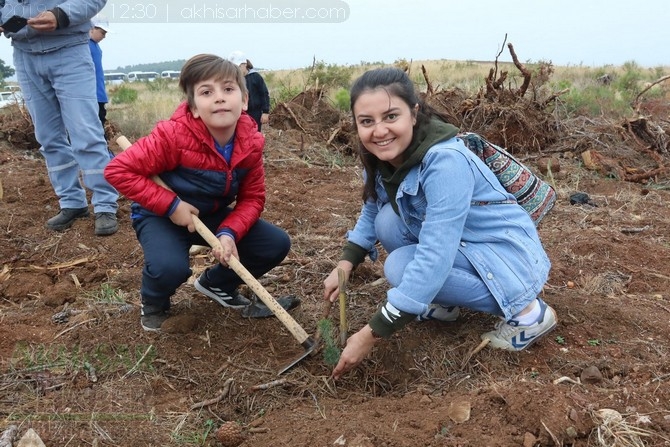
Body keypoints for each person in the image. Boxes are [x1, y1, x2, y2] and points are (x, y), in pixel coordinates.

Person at [323, 67, 557, 380]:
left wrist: (372, 333)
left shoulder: (445, 161)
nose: (379, 131)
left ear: (414, 113)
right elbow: (371, 209)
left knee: (401, 269)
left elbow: (435, 254)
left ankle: (528, 312)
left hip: (506, 255)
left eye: (391, 116)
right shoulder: (382, 158)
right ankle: (442, 301)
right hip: (468, 245)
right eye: (367, 121)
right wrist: (345, 264)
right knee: (387, 221)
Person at [104, 54, 291, 332]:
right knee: (170, 268)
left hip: (211, 215)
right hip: (160, 215)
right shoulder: (173, 136)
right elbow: (117, 171)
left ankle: (216, 284)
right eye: (206, 92)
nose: (219, 98)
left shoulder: (251, 143)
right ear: (192, 107)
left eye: (228, 89)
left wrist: (229, 233)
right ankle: (154, 302)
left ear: (245, 101)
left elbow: (253, 199)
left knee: (275, 244)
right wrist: (171, 205)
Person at [0, 0, 119, 236]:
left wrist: (61, 15)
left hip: (69, 50)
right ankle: (72, 202)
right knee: (48, 136)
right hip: (25, 55)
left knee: (85, 132)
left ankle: (105, 204)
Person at [229, 51, 270, 131]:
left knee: (254, 135)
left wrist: (265, 112)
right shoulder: (232, 80)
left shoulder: (256, 77)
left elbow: (264, 94)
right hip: (239, 114)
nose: (237, 70)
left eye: (239, 67)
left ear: (245, 64)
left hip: (255, 113)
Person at [89, 15, 109, 127]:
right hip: (91, 96)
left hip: (99, 95)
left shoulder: (96, 46)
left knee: (99, 125)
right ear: (92, 28)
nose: (104, 36)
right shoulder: (84, 46)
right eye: (103, 32)